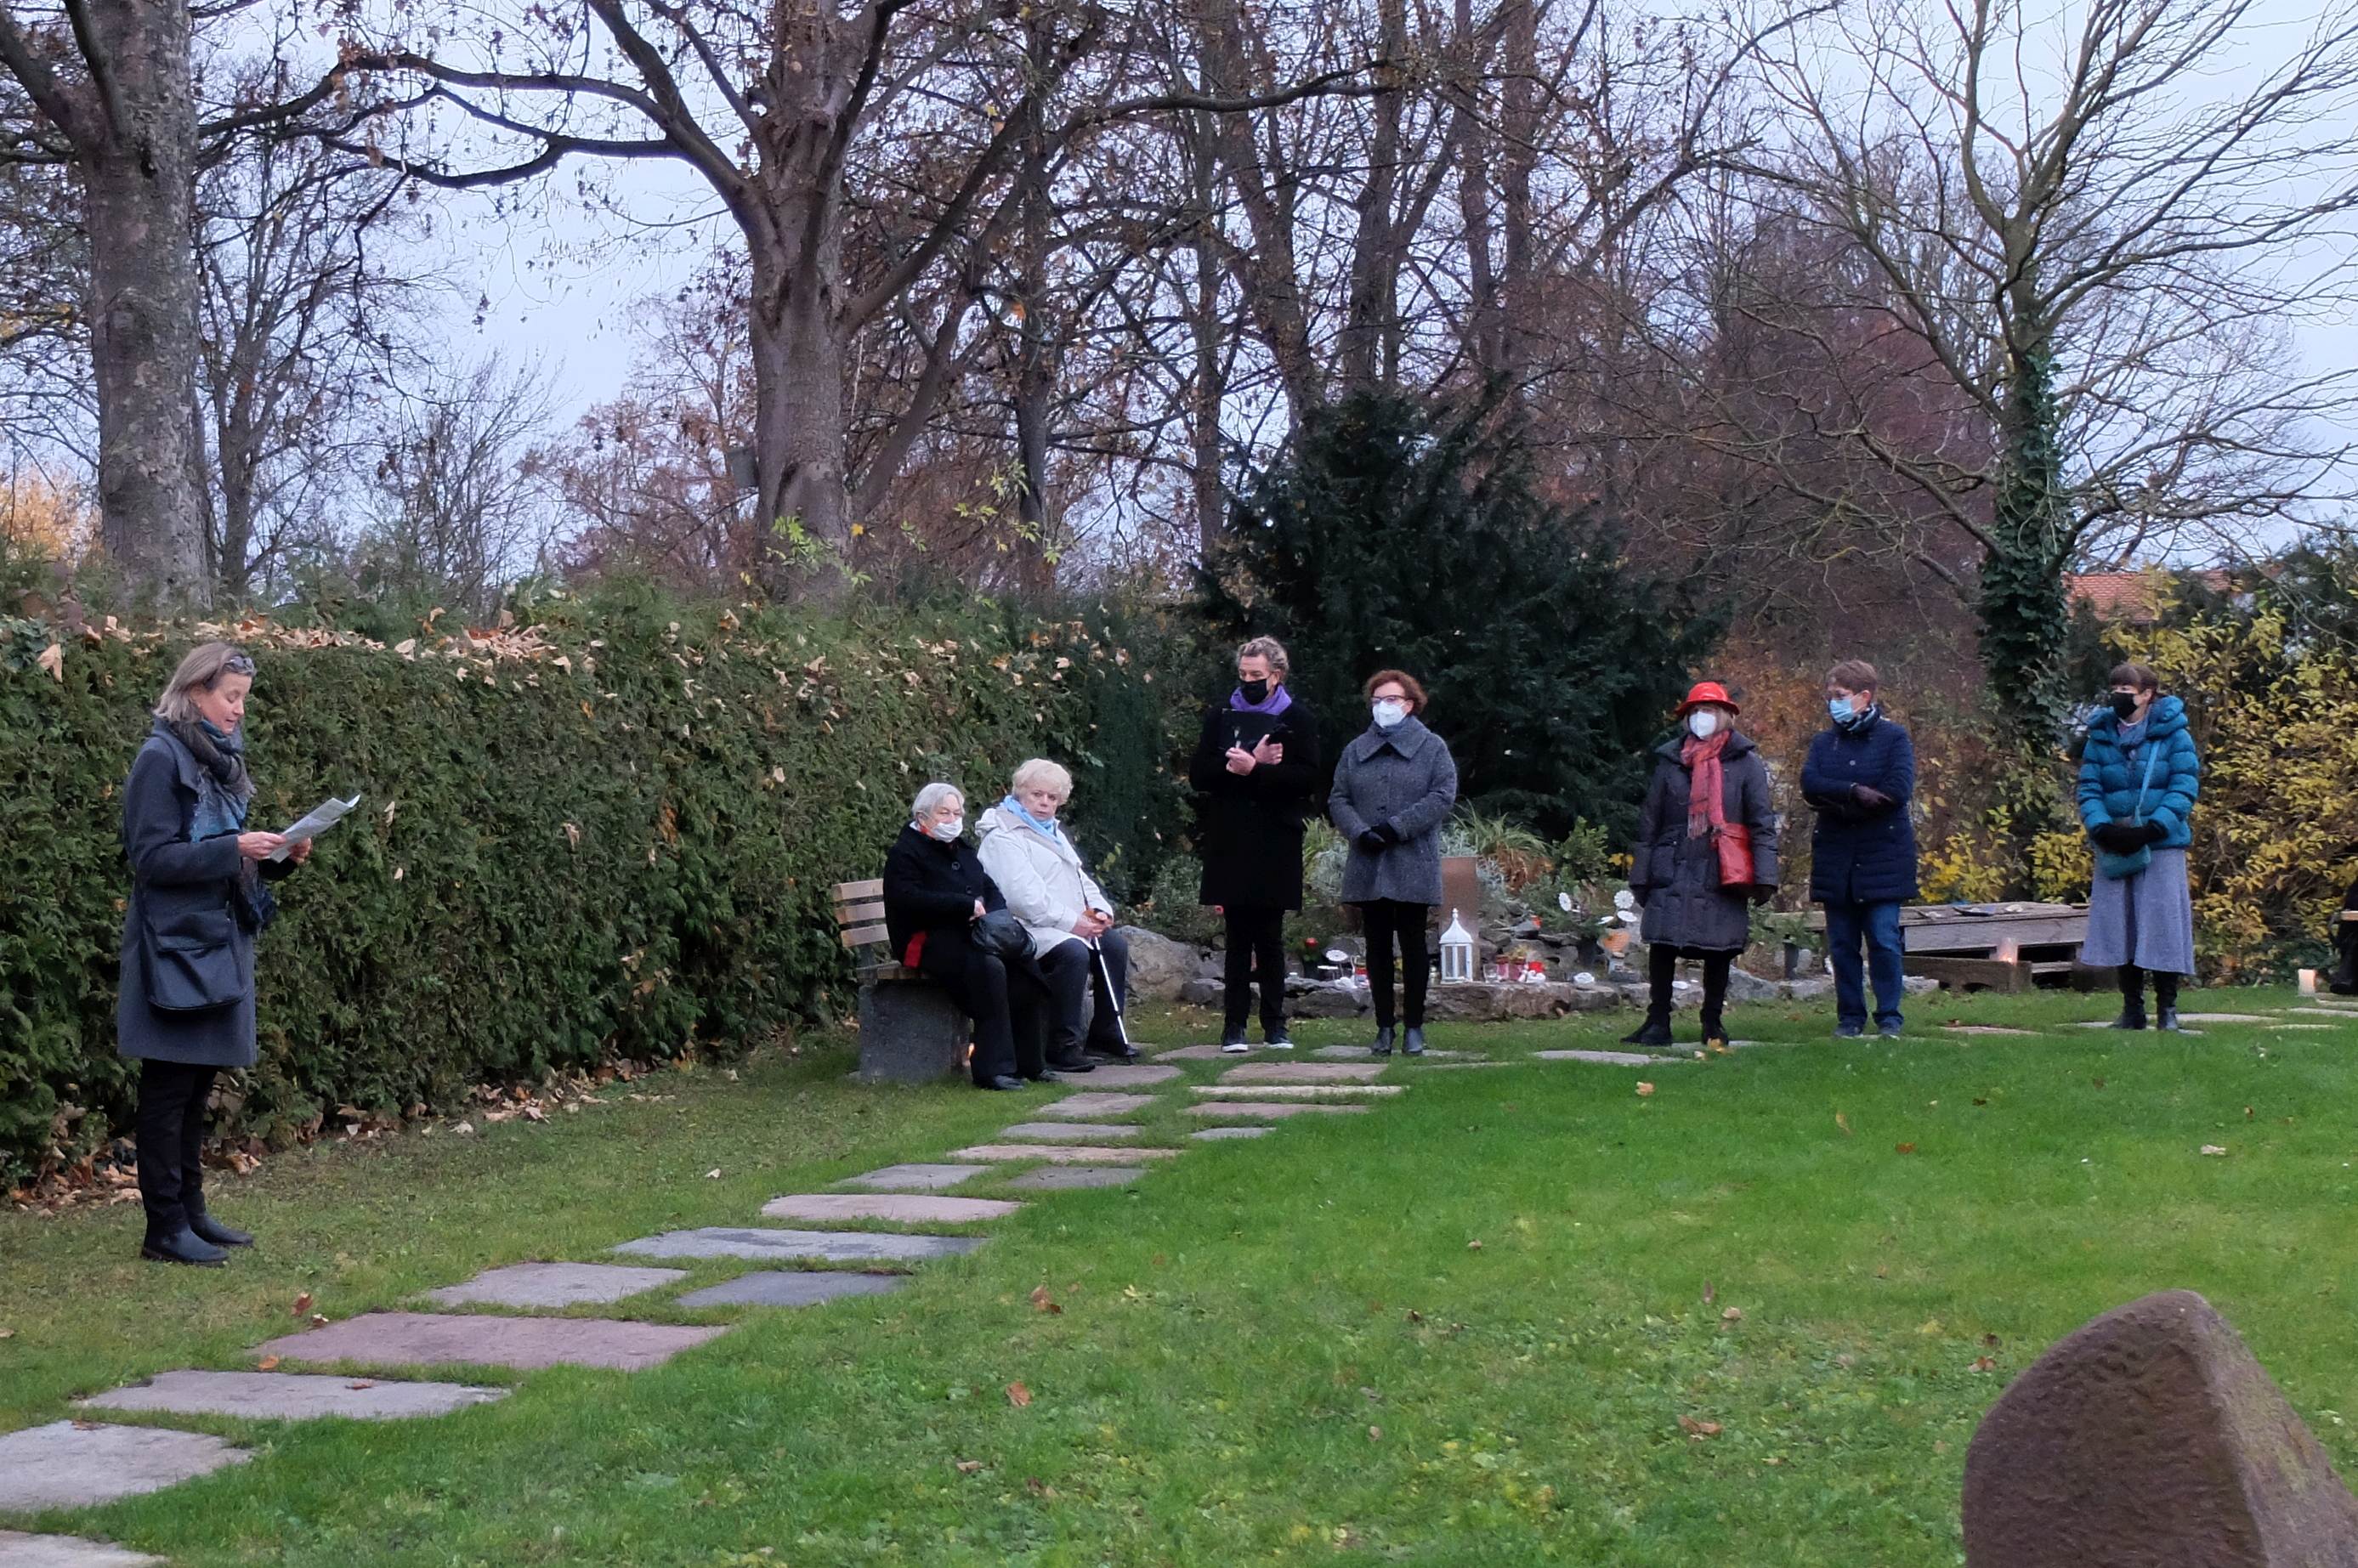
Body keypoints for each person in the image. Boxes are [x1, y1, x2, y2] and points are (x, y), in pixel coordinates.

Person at [119, 642, 312, 1266]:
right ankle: (163, 1228)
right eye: (230, 697)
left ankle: (192, 1213)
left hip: (212, 939)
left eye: (243, 700)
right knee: (169, 1087)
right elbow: (152, 859)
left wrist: (276, 856)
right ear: (196, 690)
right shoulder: (160, 757)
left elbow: (226, 856)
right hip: (172, 947)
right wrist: (236, 847)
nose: (237, 711)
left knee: (198, 1085)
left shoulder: (219, 762)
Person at [1624, 681, 1780, 1052]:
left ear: (1724, 715)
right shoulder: (1670, 761)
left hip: (1723, 867)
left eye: (1708, 710)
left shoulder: (1745, 763)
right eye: (1694, 711)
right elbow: (1650, 821)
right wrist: (1641, 874)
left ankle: (1712, 1022)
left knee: (1719, 948)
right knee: (1662, 945)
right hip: (1672, 863)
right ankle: (1657, 1021)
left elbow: (1761, 823)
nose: (1700, 718)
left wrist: (1765, 878)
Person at [1189, 636, 1324, 1051]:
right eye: (1243, 674)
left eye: (1256, 675)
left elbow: (1308, 778)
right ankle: (1233, 1026)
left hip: (1275, 839)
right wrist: (1241, 769)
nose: (1248, 681)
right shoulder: (1220, 716)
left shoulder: (1296, 719)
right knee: (1237, 938)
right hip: (1231, 839)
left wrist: (1260, 772)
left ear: (1276, 676)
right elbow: (1200, 774)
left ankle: (1275, 1024)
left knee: (1270, 937)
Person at [883, 783, 1052, 1090]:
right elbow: (908, 898)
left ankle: (1031, 1063)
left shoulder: (960, 846)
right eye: (944, 813)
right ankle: (992, 1069)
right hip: (925, 938)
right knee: (988, 970)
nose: (953, 819)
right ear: (923, 817)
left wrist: (997, 914)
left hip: (972, 932)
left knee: (1025, 965)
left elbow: (987, 885)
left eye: (957, 812)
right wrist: (963, 905)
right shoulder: (905, 852)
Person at [1329, 670, 1458, 1056]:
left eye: (1392, 700)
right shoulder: (1356, 750)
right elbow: (1338, 798)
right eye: (1377, 700)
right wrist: (1360, 831)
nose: (1384, 707)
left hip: (1412, 859)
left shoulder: (1432, 747)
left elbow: (1442, 795)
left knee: (1414, 945)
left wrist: (1396, 828)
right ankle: (1384, 1027)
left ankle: (1414, 1028)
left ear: (1410, 704)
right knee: (1377, 947)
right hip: (1369, 861)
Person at [977, 759, 1136, 1069]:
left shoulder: (1052, 832)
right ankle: (1062, 1044)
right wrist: (1073, 923)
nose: (1045, 803)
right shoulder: (1003, 835)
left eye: (1052, 798)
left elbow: (1079, 878)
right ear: (1021, 793)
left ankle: (1105, 1033)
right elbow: (1023, 899)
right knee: (1073, 953)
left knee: (1113, 945)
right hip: (1020, 928)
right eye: (1037, 795)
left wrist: (1100, 911)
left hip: (1059, 923)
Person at [2077, 663, 2200, 1031]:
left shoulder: (2175, 736)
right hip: (2115, 844)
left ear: (2147, 693)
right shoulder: (2100, 736)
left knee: (2162, 926)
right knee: (2121, 926)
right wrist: (2101, 828)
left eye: (2127, 688)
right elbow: (2088, 788)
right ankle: (2132, 1010)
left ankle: (2167, 1012)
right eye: (2114, 686)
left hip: (2160, 846)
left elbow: (2183, 786)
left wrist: (2154, 827)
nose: (2119, 694)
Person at [1800, 660, 1919, 1038]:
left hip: (1883, 857)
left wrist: (1835, 799)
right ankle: (1850, 1017)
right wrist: (1853, 792)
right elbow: (1810, 784)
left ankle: (1889, 1017)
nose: (1832, 703)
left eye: (1840, 696)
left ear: (1864, 697)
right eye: (1830, 696)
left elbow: (1896, 791)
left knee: (1884, 939)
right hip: (1837, 858)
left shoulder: (1894, 738)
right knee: (1842, 944)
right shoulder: (1824, 742)